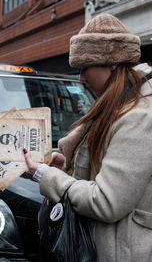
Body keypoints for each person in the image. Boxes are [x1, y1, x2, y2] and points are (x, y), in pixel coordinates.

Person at [23, 14, 152, 262]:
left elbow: (106, 202)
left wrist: (46, 175)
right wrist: (65, 170)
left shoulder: (138, 117)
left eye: (85, 68)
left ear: (112, 63)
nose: (80, 77)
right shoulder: (119, 107)